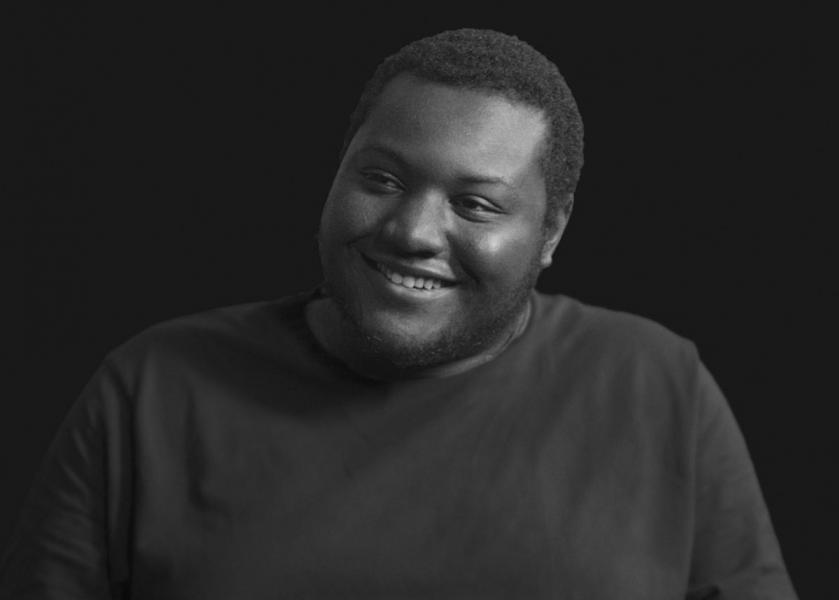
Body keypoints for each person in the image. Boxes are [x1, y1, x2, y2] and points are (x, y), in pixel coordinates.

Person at [1, 28, 797, 599]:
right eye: (380, 179)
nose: (413, 232)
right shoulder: (153, 388)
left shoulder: (656, 384)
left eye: (475, 204)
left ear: (549, 234)